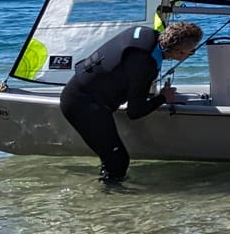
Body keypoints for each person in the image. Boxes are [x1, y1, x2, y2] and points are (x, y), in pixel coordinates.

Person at [59, 20, 202, 186]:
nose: (190, 55)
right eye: (191, 52)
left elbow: (125, 74)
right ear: (179, 53)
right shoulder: (144, 65)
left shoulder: (146, 36)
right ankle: (108, 199)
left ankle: (111, 194)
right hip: (83, 105)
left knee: (114, 157)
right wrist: (163, 98)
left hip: (77, 91)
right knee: (118, 160)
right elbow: (134, 112)